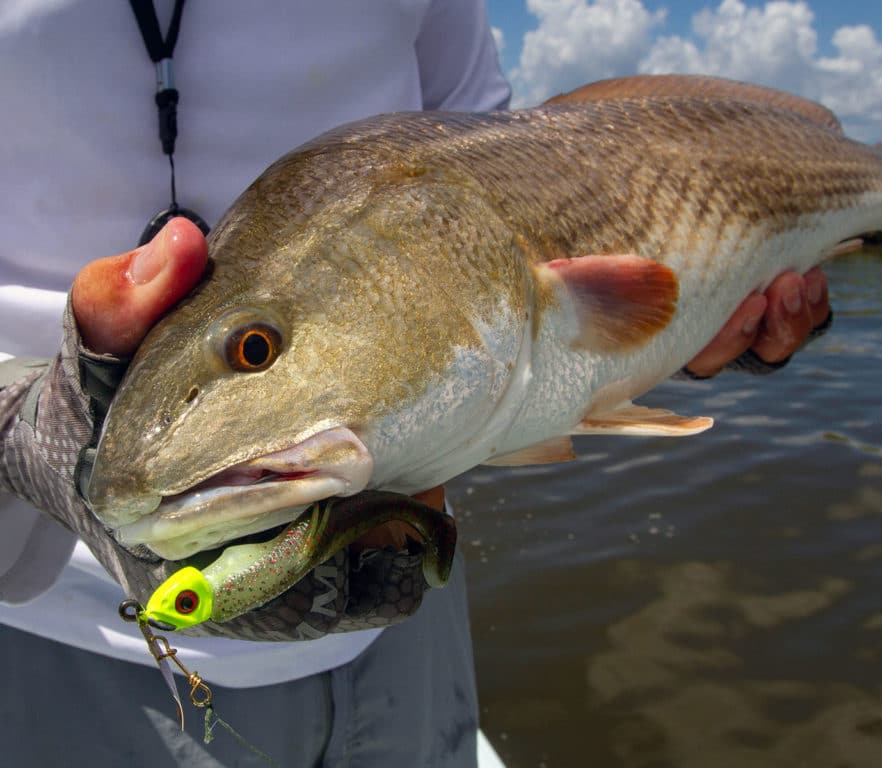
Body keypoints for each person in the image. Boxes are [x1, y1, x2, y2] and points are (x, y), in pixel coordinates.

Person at [0, 2, 831, 766]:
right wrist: (25, 434)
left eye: (258, 350)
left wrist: (695, 322)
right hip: (66, 636)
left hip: (407, 597)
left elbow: (529, 162)